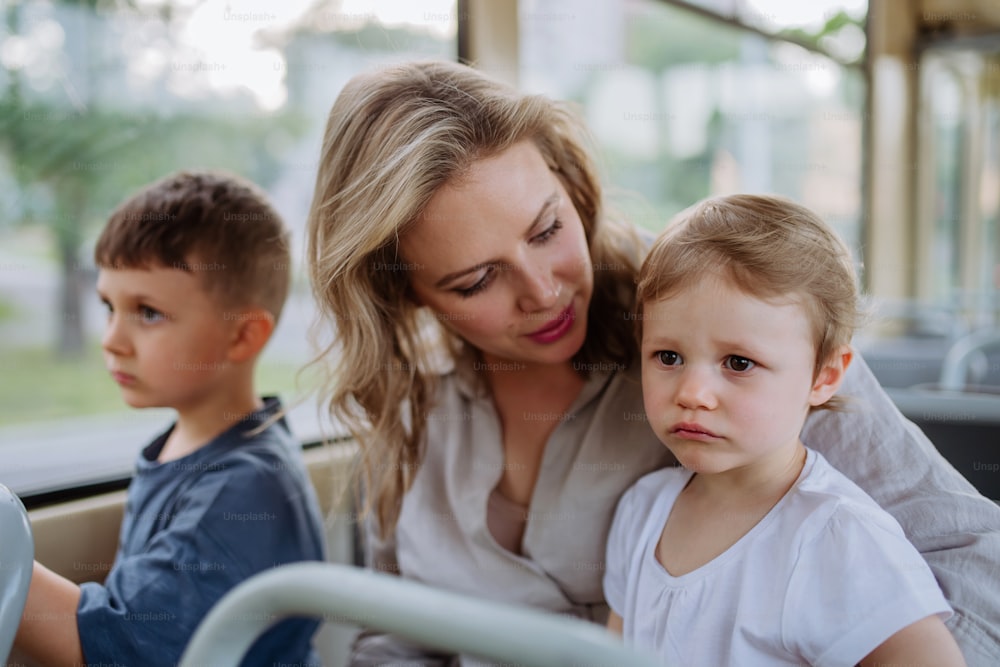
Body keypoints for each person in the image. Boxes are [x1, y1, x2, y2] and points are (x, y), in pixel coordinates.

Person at [305, 60, 1000, 666]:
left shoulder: (718, 315)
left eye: (548, 229)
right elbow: (394, 641)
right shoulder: (412, 403)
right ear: (402, 291)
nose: (544, 291)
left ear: (571, 184)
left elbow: (967, 557)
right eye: (476, 281)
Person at [603, 194, 965, 666]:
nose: (692, 392)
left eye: (738, 363)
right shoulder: (641, 510)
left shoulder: (838, 536)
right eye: (668, 357)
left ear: (825, 376)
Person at [13, 171, 327, 667]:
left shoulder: (243, 489)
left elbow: (115, 648)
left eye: (148, 312)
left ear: (242, 337)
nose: (111, 339)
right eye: (108, 306)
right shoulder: (194, 440)